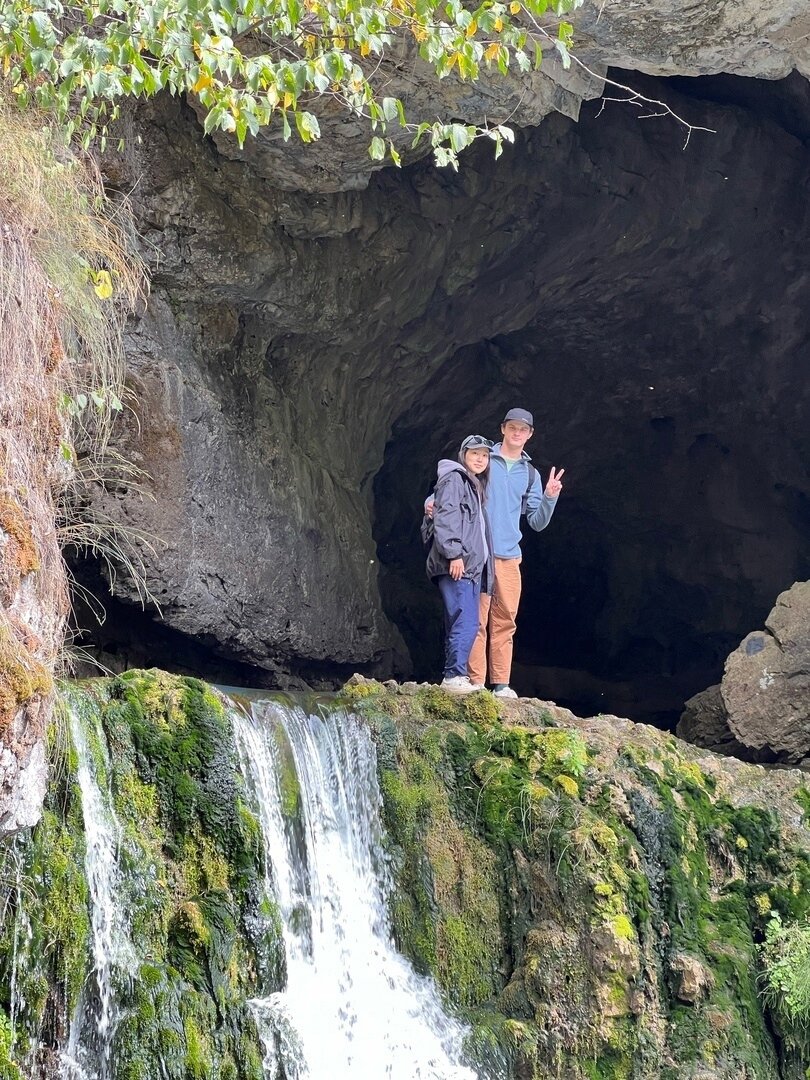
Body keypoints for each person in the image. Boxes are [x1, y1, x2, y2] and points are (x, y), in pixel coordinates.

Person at [426, 409, 564, 698]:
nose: (517, 433)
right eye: (512, 427)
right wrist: (431, 500)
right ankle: (475, 683)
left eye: (522, 429)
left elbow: (537, 522)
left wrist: (550, 496)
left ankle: (501, 683)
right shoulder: (487, 460)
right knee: (476, 619)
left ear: (530, 434)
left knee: (506, 620)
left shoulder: (530, 474)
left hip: (510, 556)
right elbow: (460, 483)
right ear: (503, 428)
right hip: (480, 554)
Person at [425, 435, 494, 693]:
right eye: (474, 453)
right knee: (465, 620)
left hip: (471, 567)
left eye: (484, 455)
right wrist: (454, 554)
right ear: (463, 455)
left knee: (462, 620)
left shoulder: (473, 486)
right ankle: (455, 676)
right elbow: (446, 515)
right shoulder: (455, 479)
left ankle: (454, 675)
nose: (480, 459)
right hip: (458, 564)